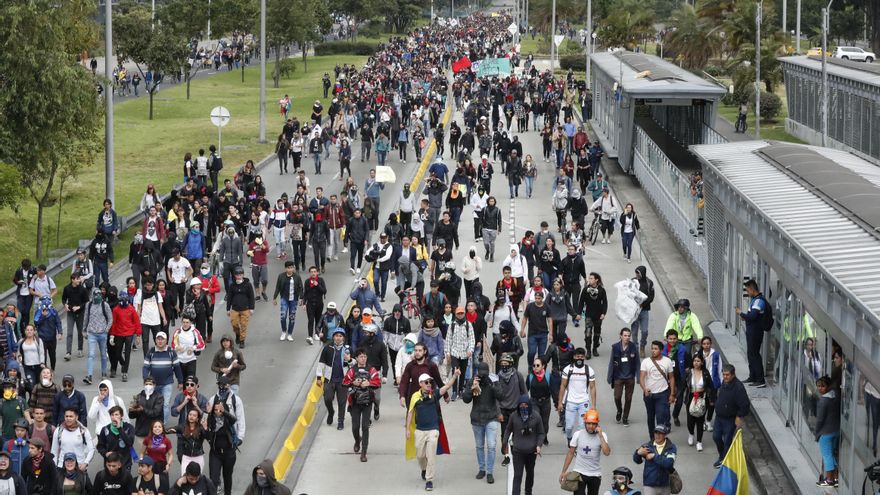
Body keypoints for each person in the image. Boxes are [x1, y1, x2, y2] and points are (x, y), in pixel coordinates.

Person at [405, 371, 457, 492]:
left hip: (433, 430)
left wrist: (454, 376)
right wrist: (407, 429)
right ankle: (424, 469)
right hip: (420, 430)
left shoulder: (434, 394)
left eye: (430, 382)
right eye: (426, 382)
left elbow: (447, 386)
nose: (429, 384)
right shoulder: (415, 397)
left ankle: (429, 480)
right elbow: (410, 413)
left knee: (431, 455)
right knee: (420, 455)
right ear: (420, 384)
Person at [461, 361, 500, 485]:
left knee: (492, 446)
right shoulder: (473, 381)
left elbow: (501, 396)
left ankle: (489, 472)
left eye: (485, 373)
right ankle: (482, 469)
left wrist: (491, 385)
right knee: (479, 446)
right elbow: (466, 400)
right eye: (481, 373)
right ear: (477, 372)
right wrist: (472, 387)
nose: (482, 376)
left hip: (491, 417)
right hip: (477, 419)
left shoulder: (493, 381)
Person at [560, 409, 611, 495]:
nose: (591, 426)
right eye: (588, 423)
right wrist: (563, 472)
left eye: (593, 424)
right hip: (579, 473)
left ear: (597, 424)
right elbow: (571, 453)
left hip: (595, 474)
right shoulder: (578, 434)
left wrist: (601, 437)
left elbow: (607, 453)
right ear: (585, 423)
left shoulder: (602, 435)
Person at [502, 394, 545, 495]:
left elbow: (541, 433)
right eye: (521, 405)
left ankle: (528, 491)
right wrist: (504, 443)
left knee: (530, 473)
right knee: (518, 475)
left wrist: (539, 445)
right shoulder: (514, 416)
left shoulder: (536, 416)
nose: (523, 407)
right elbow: (508, 429)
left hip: (531, 452)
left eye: (526, 405)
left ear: (529, 405)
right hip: (518, 451)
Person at [343, 349, 380, 462]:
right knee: (355, 427)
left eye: (365, 356)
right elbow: (344, 382)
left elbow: (377, 383)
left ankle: (363, 453)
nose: (363, 358)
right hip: (354, 403)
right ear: (357, 358)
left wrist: (369, 383)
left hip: (367, 402)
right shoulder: (352, 370)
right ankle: (357, 440)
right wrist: (353, 382)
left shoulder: (372, 370)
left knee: (365, 427)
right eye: (361, 356)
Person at [712, 364, 749, 468]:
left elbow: (745, 404)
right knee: (716, 437)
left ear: (733, 375)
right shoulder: (724, 383)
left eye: (727, 375)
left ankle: (724, 460)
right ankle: (722, 456)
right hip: (719, 417)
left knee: (728, 441)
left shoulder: (738, 387)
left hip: (729, 419)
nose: (725, 377)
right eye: (723, 375)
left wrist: (738, 416)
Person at [142, 332, 184, 424]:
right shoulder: (151, 351)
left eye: (162, 339)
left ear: (166, 341)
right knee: (153, 403)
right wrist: (146, 379)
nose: (160, 341)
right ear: (155, 340)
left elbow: (177, 367)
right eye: (158, 339)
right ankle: (154, 423)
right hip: (153, 384)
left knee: (165, 404)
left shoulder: (171, 352)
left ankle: (162, 424)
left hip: (167, 383)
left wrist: (180, 381)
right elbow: (146, 367)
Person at [736, 279, 770, 388]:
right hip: (751, 331)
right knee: (750, 354)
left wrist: (741, 313)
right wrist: (745, 317)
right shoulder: (755, 300)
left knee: (754, 354)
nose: (747, 292)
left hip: (755, 332)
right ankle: (753, 376)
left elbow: (753, 316)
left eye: (747, 290)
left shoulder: (759, 301)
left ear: (752, 289)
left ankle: (760, 379)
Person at [558, 348, 597, 442]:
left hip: (583, 402)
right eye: (577, 356)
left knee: (581, 426)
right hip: (571, 402)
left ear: (584, 357)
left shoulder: (589, 370)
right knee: (569, 427)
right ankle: (569, 438)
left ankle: (578, 444)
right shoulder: (568, 369)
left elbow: (592, 388)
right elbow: (563, 386)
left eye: (582, 357)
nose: (579, 358)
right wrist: (560, 402)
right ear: (574, 357)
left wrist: (594, 406)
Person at [640, 341, 675, 440]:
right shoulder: (646, 361)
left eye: (655, 349)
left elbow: (671, 378)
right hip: (649, 394)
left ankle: (660, 438)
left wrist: (672, 394)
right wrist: (644, 388)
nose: (653, 351)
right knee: (650, 417)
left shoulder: (667, 361)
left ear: (661, 350)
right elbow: (642, 377)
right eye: (652, 348)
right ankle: (652, 439)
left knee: (660, 417)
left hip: (662, 394)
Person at [317, 329, 350, 430]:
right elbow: (321, 363)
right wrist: (319, 377)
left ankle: (340, 421)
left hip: (343, 381)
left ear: (343, 338)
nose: (338, 338)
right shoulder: (328, 348)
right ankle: (331, 412)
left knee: (342, 402)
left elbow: (353, 364)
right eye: (336, 336)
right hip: (329, 379)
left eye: (340, 336)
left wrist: (349, 360)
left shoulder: (347, 349)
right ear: (333, 337)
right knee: (327, 398)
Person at [205, 394, 237, 495]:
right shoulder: (211, 420)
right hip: (215, 453)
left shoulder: (227, 420)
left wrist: (224, 411)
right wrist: (208, 413)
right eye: (216, 410)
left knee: (227, 477)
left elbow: (233, 420)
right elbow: (204, 430)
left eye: (220, 410)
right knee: (213, 479)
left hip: (229, 453)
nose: (218, 412)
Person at [633, 425, 677, 495]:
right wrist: (638, 453)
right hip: (649, 485)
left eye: (660, 433)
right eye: (656, 433)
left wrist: (654, 456)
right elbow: (637, 461)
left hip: (665, 485)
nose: (657, 435)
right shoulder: (647, 446)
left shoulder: (671, 448)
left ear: (665, 435)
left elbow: (669, 463)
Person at [608, 328, 640, 426]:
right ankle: (619, 410)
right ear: (621, 336)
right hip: (618, 376)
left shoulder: (634, 347)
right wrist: (609, 376)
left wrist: (638, 376)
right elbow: (611, 363)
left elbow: (638, 362)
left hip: (630, 377)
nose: (627, 337)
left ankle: (625, 417)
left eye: (628, 335)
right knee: (617, 397)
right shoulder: (615, 347)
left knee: (628, 398)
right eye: (625, 335)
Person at [684, 353, 715, 453]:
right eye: (694, 361)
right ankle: (691, 434)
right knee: (690, 419)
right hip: (691, 398)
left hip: (702, 398)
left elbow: (711, 386)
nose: (696, 363)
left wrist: (711, 400)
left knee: (700, 420)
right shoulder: (688, 372)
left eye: (698, 361)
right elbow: (683, 385)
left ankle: (699, 442)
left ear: (702, 362)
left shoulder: (705, 373)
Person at [814, 375, 840, 487]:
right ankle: (836, 477)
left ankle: (829, 480)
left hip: (826, 433)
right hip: (836, 431)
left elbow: (820, 420)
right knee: (833, 455)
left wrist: (817, 433)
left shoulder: (823, 401)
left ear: (828, 387)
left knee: (827, 456)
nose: (820, 388)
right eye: (818, 386)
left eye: (822, 386)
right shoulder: (835, 396)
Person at [83, 288, 112, 385]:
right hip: (92, 333)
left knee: (103, 355)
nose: (98, 296)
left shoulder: (105, 305)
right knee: (91, 355)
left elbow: (110, 318)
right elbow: (86, 317)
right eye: (96, 295)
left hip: (102, 334)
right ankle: (89, 375)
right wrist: (84, 330)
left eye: (100, 295)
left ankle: (104, 372)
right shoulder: (89, 305)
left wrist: (106, 329)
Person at [96, 405, 136, 472]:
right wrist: (105, 453)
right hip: (111, 465)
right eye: (112, 415)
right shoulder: (105, 429)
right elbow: (100, 446)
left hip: (125, 463)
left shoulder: (129, 427)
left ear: (121, 416)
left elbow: (130, 443)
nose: (114, 417)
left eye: (116, 414)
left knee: (125, 481)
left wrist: (120, 428)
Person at [578, 272, 607, 359]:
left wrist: (603, 313)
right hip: (589, 315)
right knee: (588, 333)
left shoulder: (601, 290)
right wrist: (579, 313)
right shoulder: (585, 290)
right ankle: (588, 350)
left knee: (597, 333)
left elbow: (605, 302)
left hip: (598, 315)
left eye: (591, 278)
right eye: (589, 278)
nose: (589, 280)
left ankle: (595, 348)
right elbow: (581, 302)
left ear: (596, 280)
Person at [226, 265, 255, 348]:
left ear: (243, 275)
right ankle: (237, 334)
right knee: (234, 324)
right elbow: (229, 297)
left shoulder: (248, 285)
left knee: (243, 325)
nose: (239, 276)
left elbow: (251, 297)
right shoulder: (232, 285)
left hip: (245, 309)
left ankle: (242, 340)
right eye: (237, 275)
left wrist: (251, 308)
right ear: (234, 276)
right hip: (235, 308)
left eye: (240, 275)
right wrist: (228, 309)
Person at [62, 274, 89, 360]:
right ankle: (68, 352)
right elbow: (63, 299)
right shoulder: (67, 288)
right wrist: (65, 305)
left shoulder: (83, 289)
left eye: (79, 279)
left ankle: (80, 349)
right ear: (72, 280)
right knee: (69, 332)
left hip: (80, 313)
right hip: (70, 313)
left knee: (80, 332)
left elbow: (87, 302)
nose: (79, 280)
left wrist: (79, 307)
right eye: (77, 279)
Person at [631, 267, 654, 358]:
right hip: (634, 311)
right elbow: (629, 293)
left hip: (644, 310)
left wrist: (643, 304)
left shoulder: (649, 283)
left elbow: (651, 296)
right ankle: (635, 348)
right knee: (634, 332)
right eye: (636, 272)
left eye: (639, 273)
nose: (637, 275)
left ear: (643, 273)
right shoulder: (633, 281)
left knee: (644, 331)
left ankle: (642, 346)